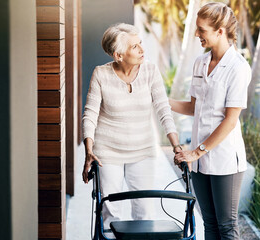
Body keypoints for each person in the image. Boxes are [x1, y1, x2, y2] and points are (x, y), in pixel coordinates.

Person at [82, 23, 182, 233]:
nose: (142, 50)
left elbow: (163, 108)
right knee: (110, 211)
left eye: (140, 44)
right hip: (107, 152)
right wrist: (89, 151)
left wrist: (176, 146)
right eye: (135, 47)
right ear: (118, 55)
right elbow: (90, 114)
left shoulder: (150, 70)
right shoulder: (101, 74)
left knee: (145, 210)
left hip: (142, 150)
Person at [170, 3, 251, 239]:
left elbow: (230, 120)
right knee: (210, 224)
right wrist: (161, 101)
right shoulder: (200, 63)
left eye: (201, 30)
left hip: (224, 159)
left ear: (220, 31)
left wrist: (196, 152)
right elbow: (193, 107)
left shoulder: (238, 67)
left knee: (227, 226)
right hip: (200, 161)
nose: (197, 34)